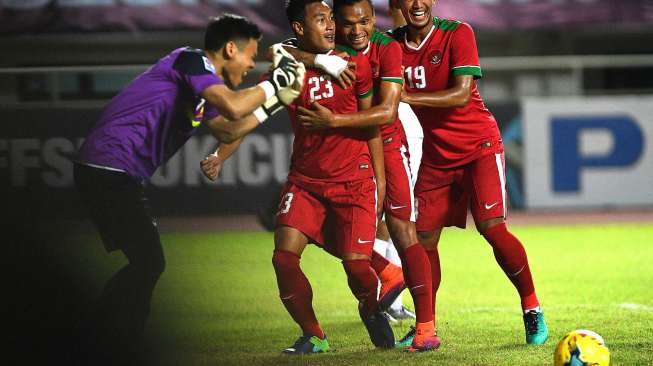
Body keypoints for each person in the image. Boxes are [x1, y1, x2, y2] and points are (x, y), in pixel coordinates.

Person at [73, 14, 303, 365]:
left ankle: (107, 338)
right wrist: (274, 85)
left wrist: (275, 99)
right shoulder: (191, 59)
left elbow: (229, 129)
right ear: (229, 48)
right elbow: (233, 104)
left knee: (147, 264)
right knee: (149, 262)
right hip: (108, 166)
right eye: (249, 56)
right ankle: (100, 338)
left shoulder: (202, 87)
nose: (249, 65)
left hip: (116, 171)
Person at [390, 0, 549, 346]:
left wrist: (406, 97)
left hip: (479, 146)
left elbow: (462, 94)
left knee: (492, 228)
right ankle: (425, 326)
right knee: (423, 240)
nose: (417, 3)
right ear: (397, 3)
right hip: (436, 157)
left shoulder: (457, 33)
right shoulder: (390, 44)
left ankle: (531, 308)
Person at [293, 0, 440, 352]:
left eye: (364, 21)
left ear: (375, 19)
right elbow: (276, 53)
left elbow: (387, 111)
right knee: (320, 227)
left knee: (403, 229)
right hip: (345, 151)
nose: (356, 30)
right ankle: (384, 275)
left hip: (388, 144)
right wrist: (317, 59)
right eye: (347, 23)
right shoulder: (332, 49)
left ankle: (426, 328)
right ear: (336, 24)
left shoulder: (387, 48)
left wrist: (334, 121)